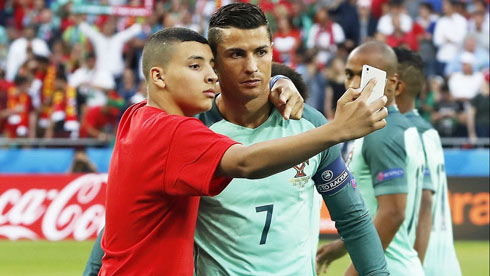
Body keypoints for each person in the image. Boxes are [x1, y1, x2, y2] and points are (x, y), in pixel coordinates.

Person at [85, 4, 389, 276]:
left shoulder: (307, 123)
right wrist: (337, 129)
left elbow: (352, 219)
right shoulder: (189, 132)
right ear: (213, 64)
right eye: (236, 55)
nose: (252, 67)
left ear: (272, 50)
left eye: (261, 52)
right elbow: (120, 229)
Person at [316, 41, 426, 276]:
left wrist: (353, 273)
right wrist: (341, 246)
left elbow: (392, 213)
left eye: (365, 75)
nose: (354, 85)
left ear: (393, 84)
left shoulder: (381, 133)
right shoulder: (401, 127)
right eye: (349, 75)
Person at [393, 47, 462, 276]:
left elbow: (425, 201)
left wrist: (416, 267)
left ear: (395, 83)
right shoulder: (428, 131)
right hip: (443, 262)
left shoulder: (410, 133)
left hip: (424, 265)